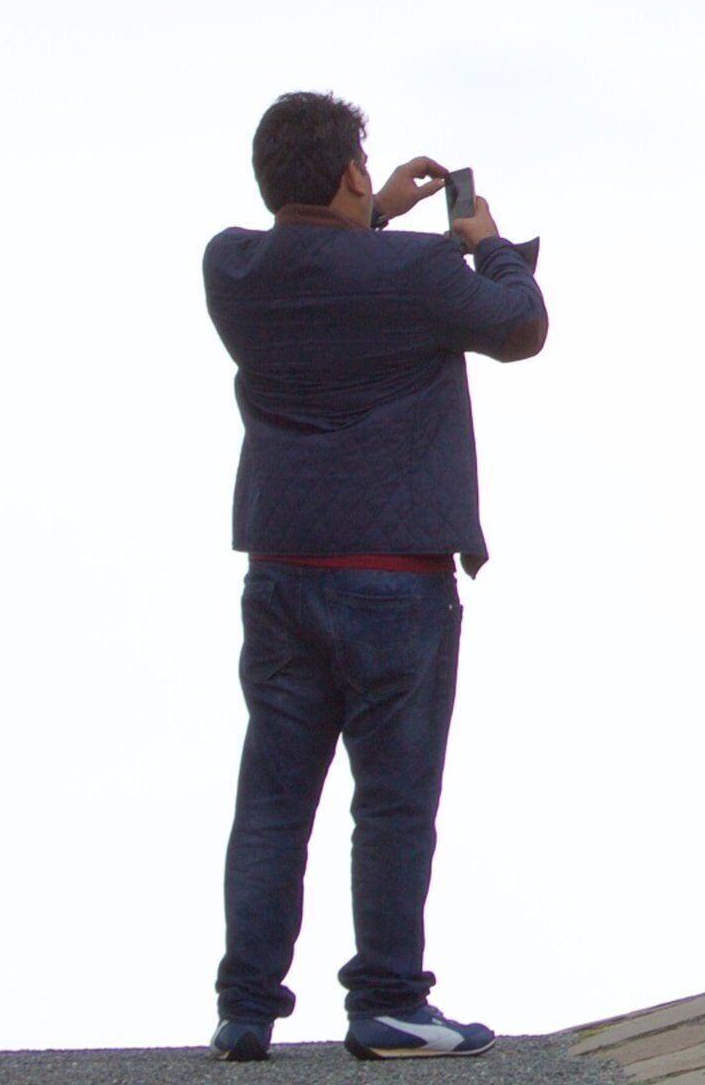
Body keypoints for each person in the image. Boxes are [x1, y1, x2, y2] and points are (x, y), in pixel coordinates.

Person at [201, 91, 547, 1060]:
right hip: (396, 581)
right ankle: (388, 1001)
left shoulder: (230, 269)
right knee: (391, 804)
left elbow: (314, 265)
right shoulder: (422, 273)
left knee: (273, 798)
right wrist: (487, 240)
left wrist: (377, 213)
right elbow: (521, 326)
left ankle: (245, 1009)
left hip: (280, 573)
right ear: (353, 172)